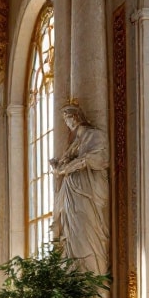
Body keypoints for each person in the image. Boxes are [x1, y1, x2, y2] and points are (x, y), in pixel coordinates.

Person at [51, 102, 110, 280]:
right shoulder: (74, 144)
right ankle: (77, 279)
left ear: (75, 117)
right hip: (72, 194)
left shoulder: (94, 135)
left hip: (88, 192)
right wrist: (59, 166)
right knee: (72, 236)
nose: (67, 124)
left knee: (88, 233)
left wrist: (65, 169)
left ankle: (94, 281)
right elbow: (65, 164)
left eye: (67, 119)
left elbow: (98, 159)